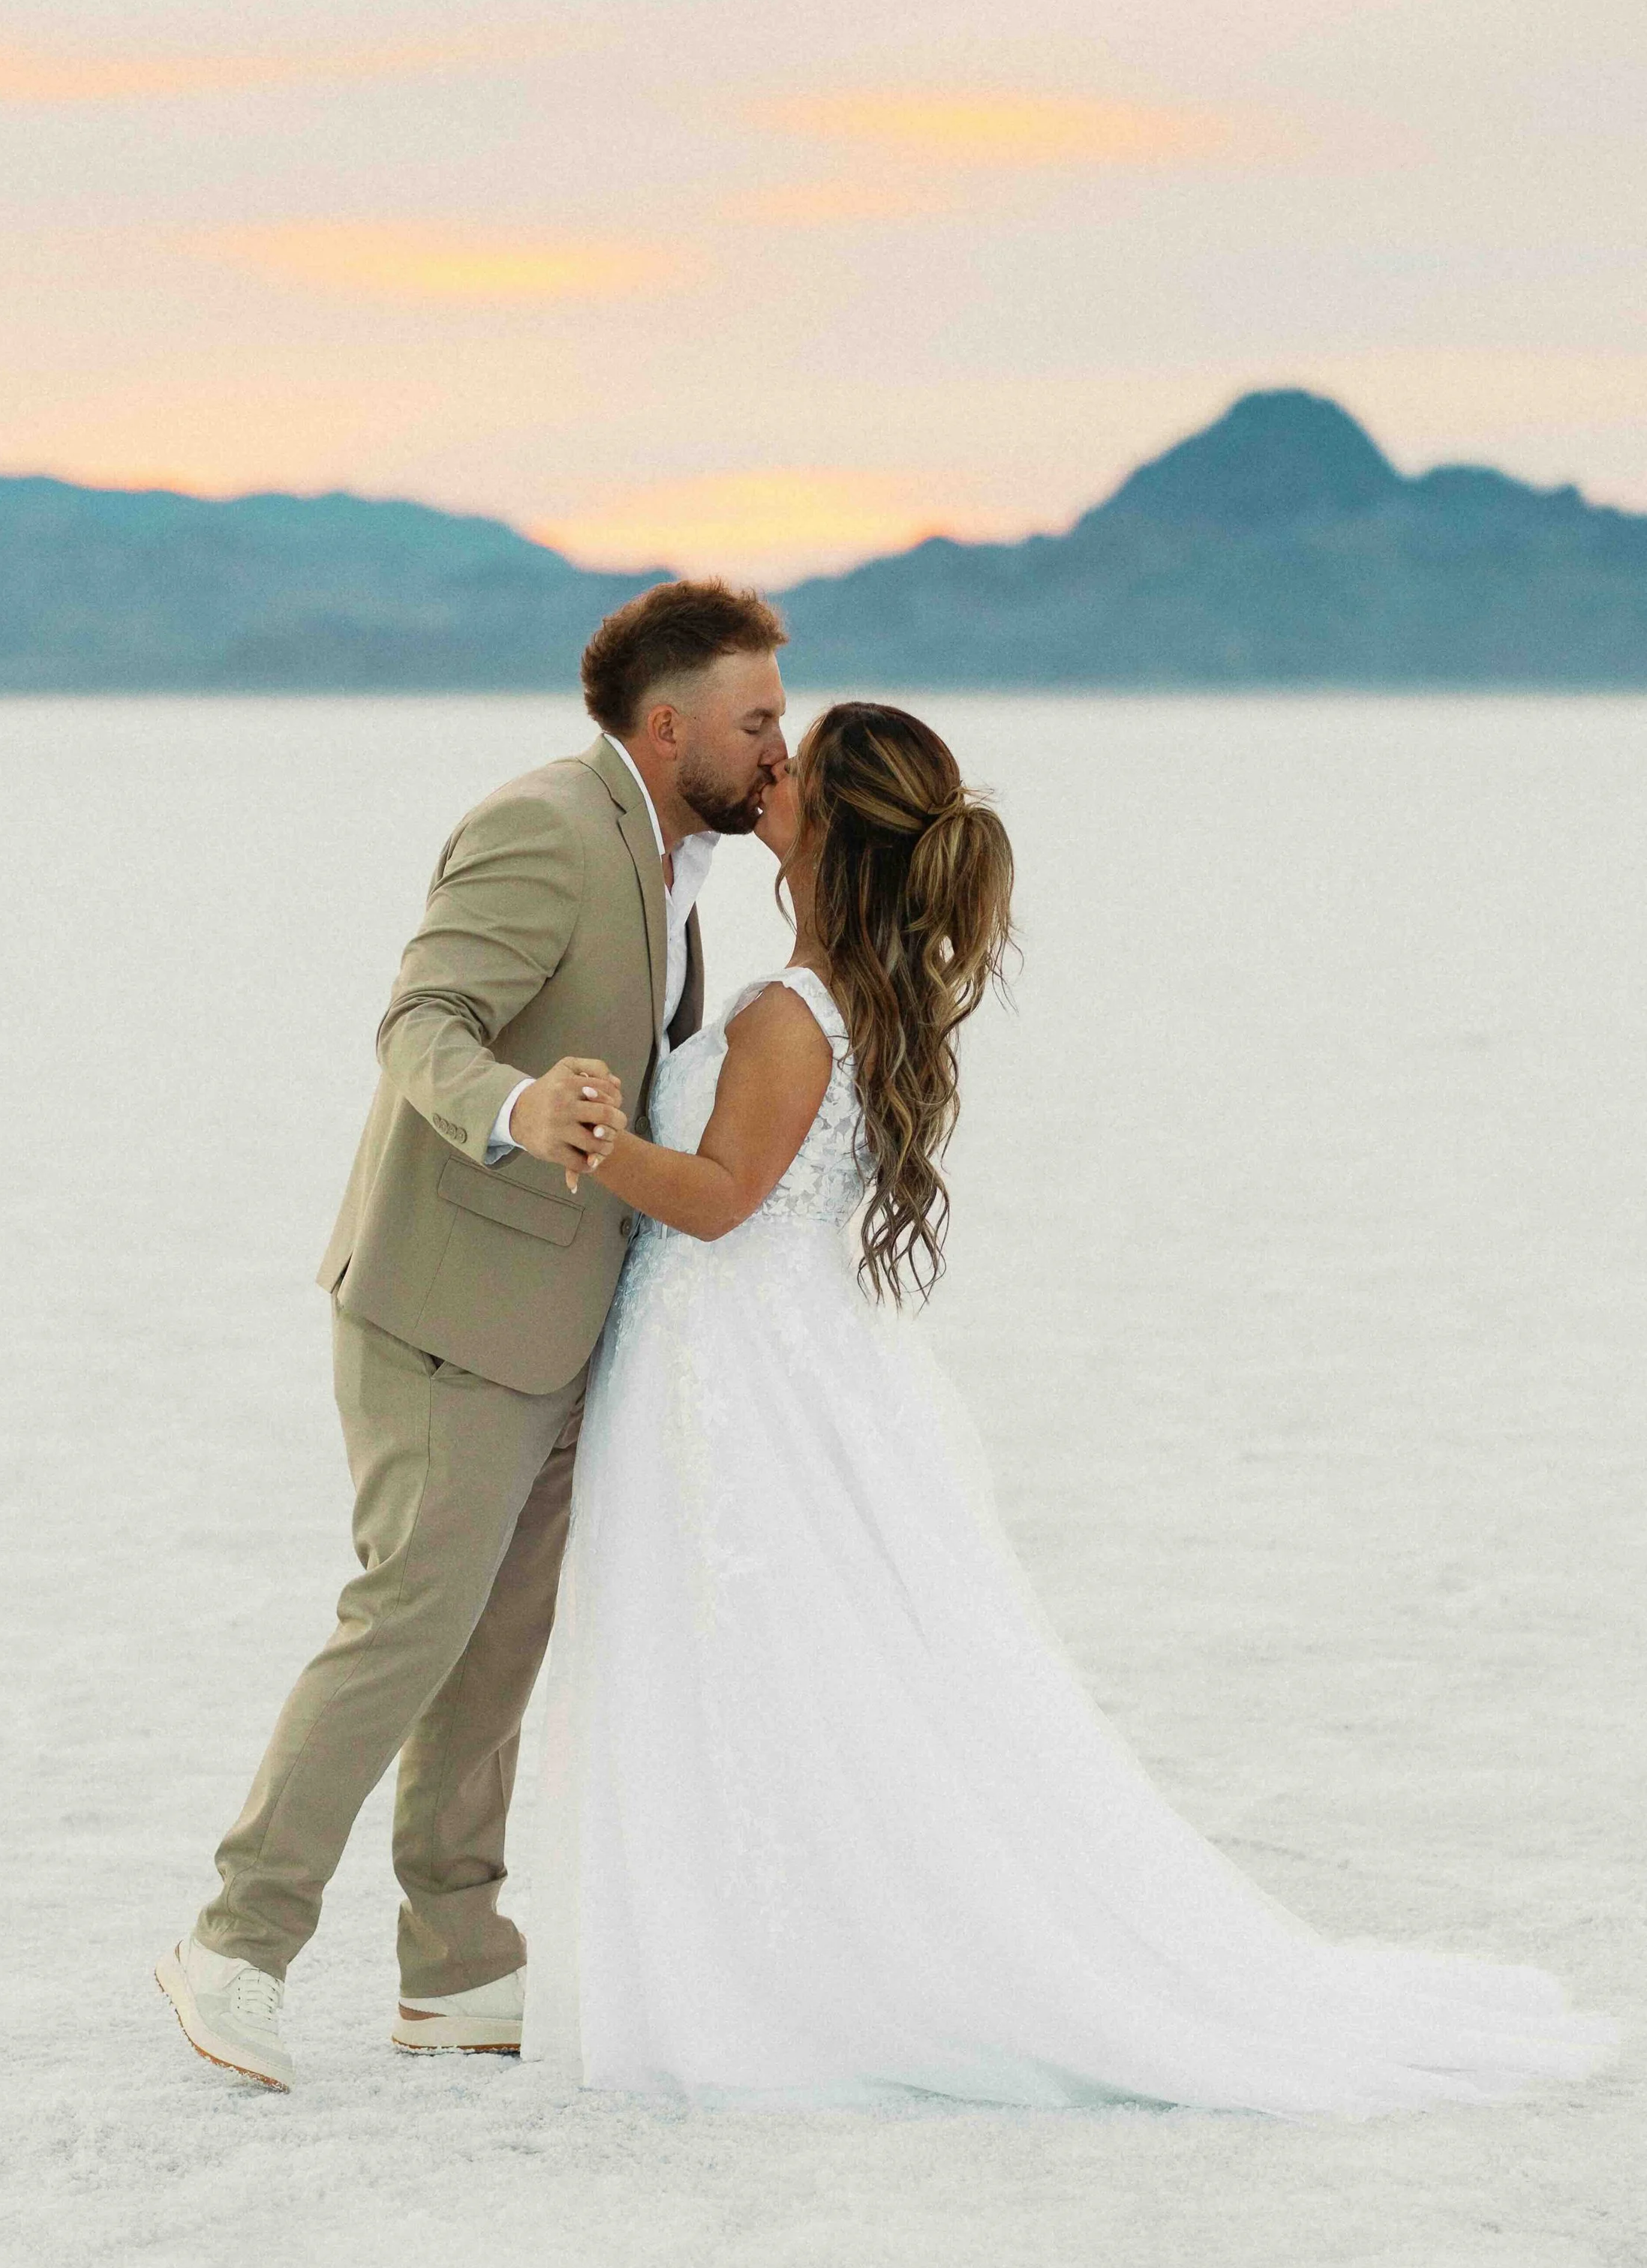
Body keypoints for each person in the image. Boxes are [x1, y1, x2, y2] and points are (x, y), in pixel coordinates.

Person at [523, 699, 1617, 2113]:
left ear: (837, 831)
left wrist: (596, 1141)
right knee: (775, 1656)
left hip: (737, 1371)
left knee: (770, 1651)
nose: (768, 781)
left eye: (792, 774)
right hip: (759, 1360)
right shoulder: (835, 989)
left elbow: (726, 1200)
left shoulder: (798, 1014)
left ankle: (797, 1969)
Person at [156, 580, 789, 2090]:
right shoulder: (545, 826)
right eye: (757, 717)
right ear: (666, 720)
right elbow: (422, 1021)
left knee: (493, 1653)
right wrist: (512, 1110)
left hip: (568, 1322)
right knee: (407, 1626)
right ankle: (237, 1942)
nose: (781, 744)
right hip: (448, 1309)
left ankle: (454, 1967)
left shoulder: (679, 857)